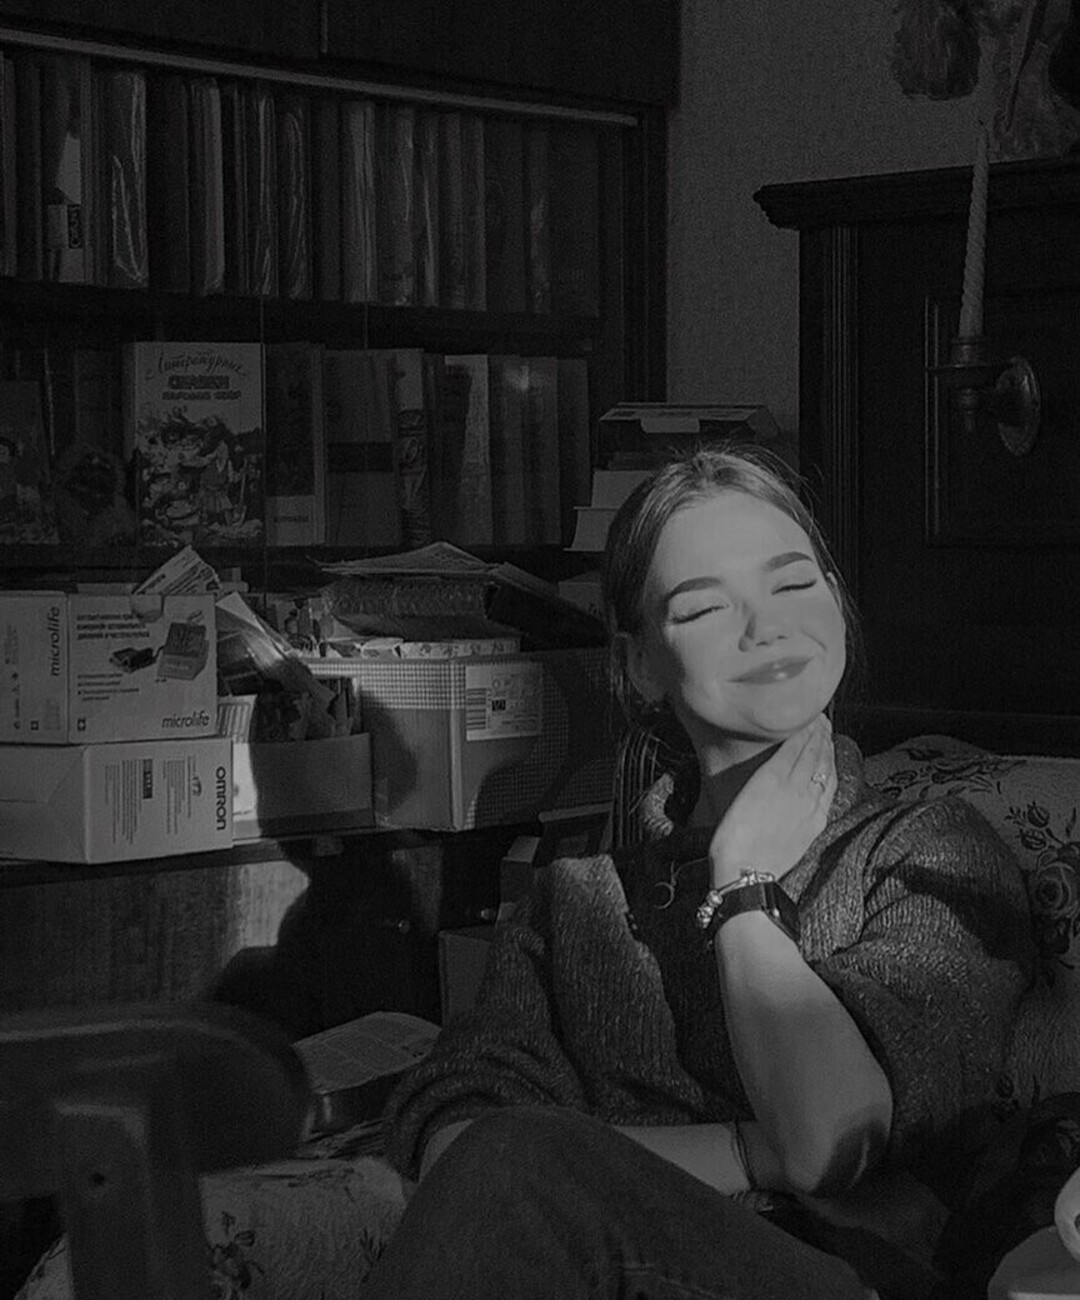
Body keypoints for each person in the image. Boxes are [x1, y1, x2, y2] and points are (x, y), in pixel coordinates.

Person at [361, 445, 1035, 1300]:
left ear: (835, 604)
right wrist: (751, 1150)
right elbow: (459, 1147)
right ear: (639, 665)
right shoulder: (577, 901)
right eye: (706, 607)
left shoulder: (930, 852)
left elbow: (828, 1142)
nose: (765, 628)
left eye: (793, 585)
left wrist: (744, 886)